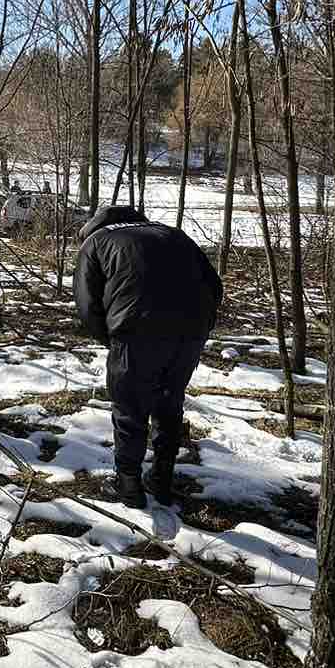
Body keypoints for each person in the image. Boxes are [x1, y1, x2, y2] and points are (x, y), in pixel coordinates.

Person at [73, 205, 222, 509]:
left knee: (130, 406)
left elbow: (87, 305)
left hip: (137, 332)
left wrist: (113, 339)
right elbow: (214, 285)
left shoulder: (96, 242)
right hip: (191, 331)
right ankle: (162, 480)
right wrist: (197, 324)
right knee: (169, 400)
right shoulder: (173, 234)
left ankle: (128, 487)